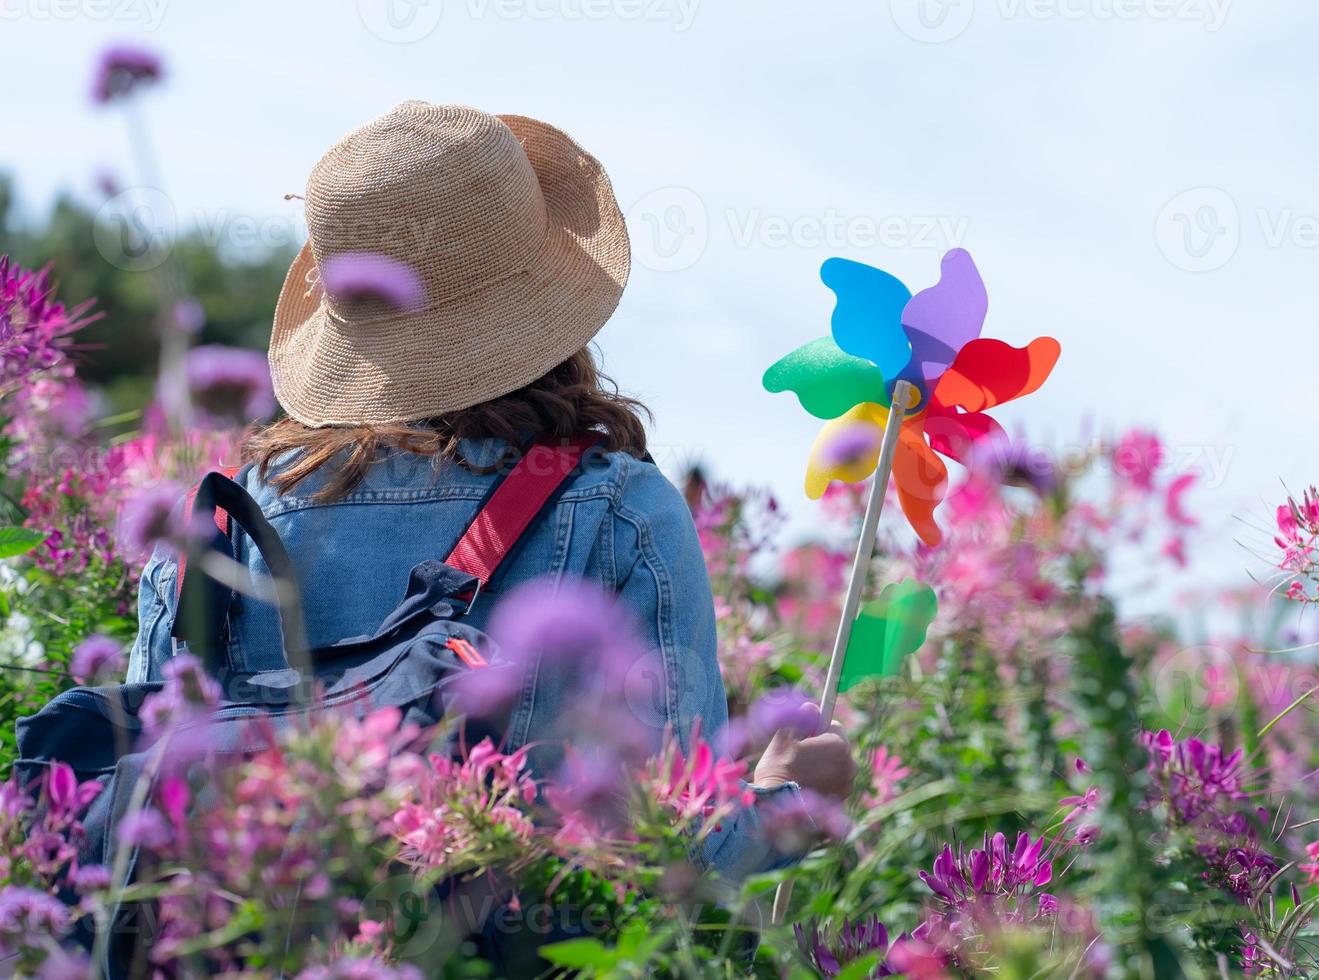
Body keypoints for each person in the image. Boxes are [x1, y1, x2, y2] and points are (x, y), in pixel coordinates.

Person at [125, 100, 855, 879]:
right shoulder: (620, 515)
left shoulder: (205, 539)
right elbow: (667, 858)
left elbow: (139, 826)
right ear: (545, 295)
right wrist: (787, 800)